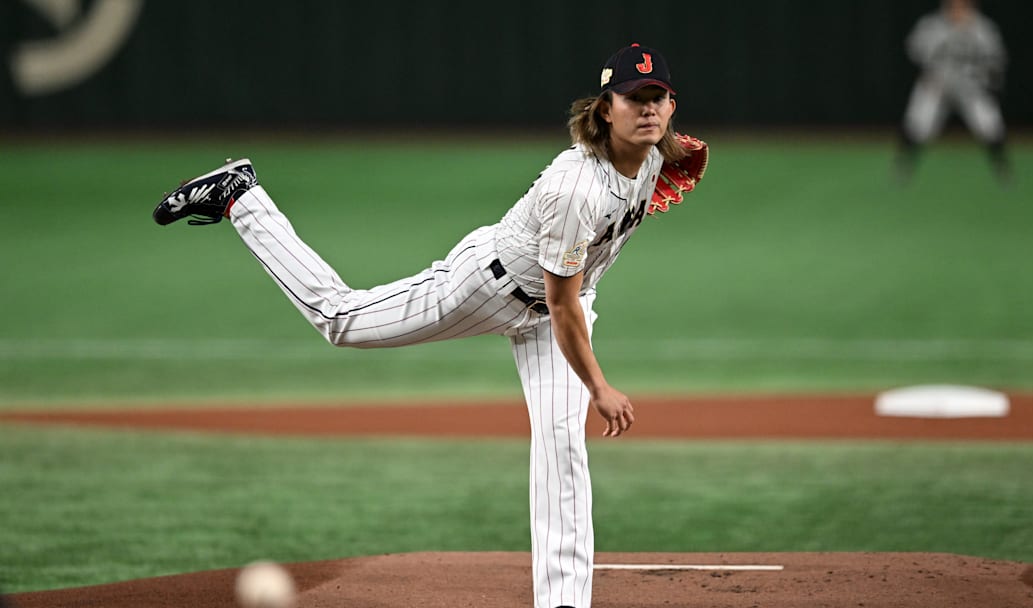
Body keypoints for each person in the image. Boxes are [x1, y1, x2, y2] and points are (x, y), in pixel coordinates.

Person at [151, 43, 707, 608]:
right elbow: (562, 305)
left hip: (552, 310)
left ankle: (563, 602)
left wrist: (675, 150)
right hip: (488, 286)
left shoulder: (656, 153)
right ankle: (242, 198)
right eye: (634, 98)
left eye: (658, 97)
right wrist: (599, 387)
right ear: (605, 108)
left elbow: (577, 283)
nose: (648, 109)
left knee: (562, 444)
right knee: (339, 319)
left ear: (672, 104)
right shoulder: (575, 189)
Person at [895, 0, 1010, 182]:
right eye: (953, 5)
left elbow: (996, 60)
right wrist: (928, 73)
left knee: (988, 122)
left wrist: (986, 81)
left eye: (962, 5)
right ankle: (903, 166)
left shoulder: (983, 28)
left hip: (970, 85)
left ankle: (1002, 167)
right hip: (938, 84)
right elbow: (914, 50)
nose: (957, 9)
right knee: (919, 121)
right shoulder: (931, 25)